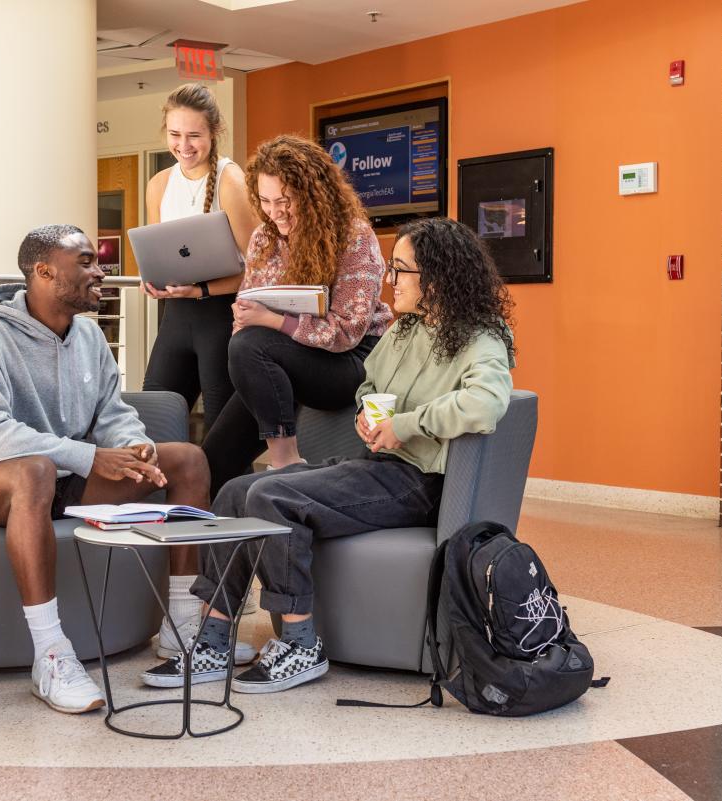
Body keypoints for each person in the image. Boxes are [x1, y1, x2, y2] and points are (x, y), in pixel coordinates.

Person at [142, 216, 516, 693]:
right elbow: (370, 382)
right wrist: (367, 411)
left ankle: (300, 644)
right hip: (378, 467)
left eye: (401, 270)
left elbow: (485, 403)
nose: (390, 280)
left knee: (274, 498)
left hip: (420, 481)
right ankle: (214, 638)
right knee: (238, 491)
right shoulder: (406, 331)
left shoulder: (482, 336)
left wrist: (404, 426)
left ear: (437, 278)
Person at [0, 224, 209, 714]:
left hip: (64, 477)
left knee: (187, 458)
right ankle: (52, 655)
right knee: (33, 470)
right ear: (43, 272)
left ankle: (183, 630)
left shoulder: (88, 336)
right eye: (85, 262)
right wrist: (89, 457)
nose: (100, 271)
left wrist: (134, 447)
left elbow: (111, 413)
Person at [200, 133, 394, 498]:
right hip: (283, 356)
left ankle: (285, 462)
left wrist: (272, 321)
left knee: (251, 344)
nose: (276, 212)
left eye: (286, 201)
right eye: (266, 201)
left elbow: (347, 333)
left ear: (314, 194)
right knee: (210, 465)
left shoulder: (355, 237)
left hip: (353, 360)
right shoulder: (263, 238)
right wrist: (245, 315)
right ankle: (214, 543)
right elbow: (247, 314)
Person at [140, 84, 258, 665]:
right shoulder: (158, 184)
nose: (184, 145)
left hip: (217, 317)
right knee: (149, 426)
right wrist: (151, 277)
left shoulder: (231, 181)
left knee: (218, 452)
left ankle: (221, 590)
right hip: (174, 317)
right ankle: (165, 575)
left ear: (213, 134)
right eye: (175, 135)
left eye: (194, 135)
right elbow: (157, 251)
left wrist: (204, 287)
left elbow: (254, 267)